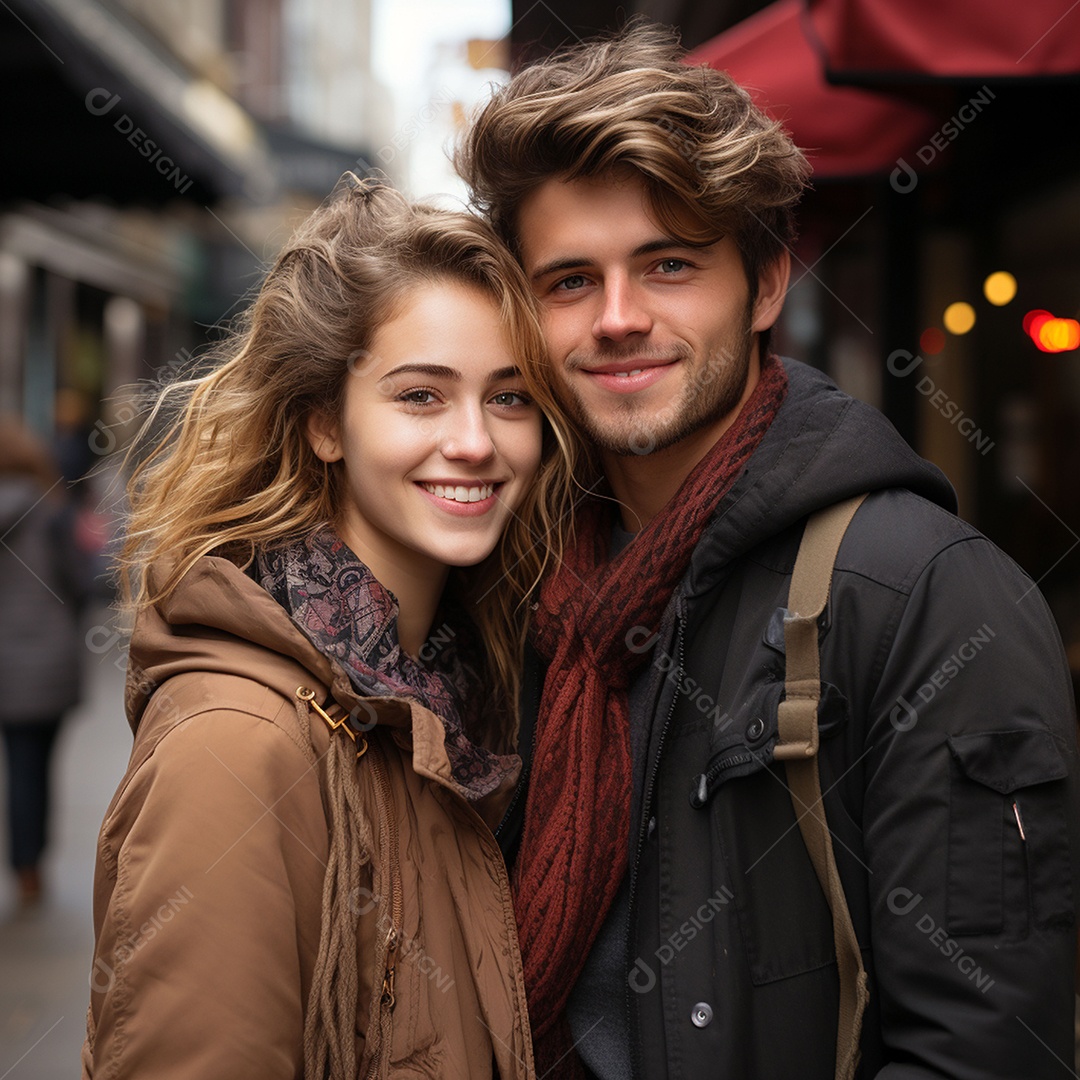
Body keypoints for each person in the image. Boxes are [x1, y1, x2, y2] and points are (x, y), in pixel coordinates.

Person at [456, 21, 1080, 1080]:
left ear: (766, 285)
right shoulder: (510, 580)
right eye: (569, 281)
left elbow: (983, 1054)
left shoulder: (925, 594)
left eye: (669, 265)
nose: (617, 318)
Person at [81, 175, 579, 1079]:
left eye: (509, 398)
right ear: (325, 425)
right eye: (421, 396)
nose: (476, 441)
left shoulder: (452, 697)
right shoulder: (237, 746)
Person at [0, 416, 87, 907]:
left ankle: (24, 863)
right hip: (48, 659)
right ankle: (31, 865)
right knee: (35, 764)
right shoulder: (49, 512)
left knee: (19, 761)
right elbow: (82, 580)